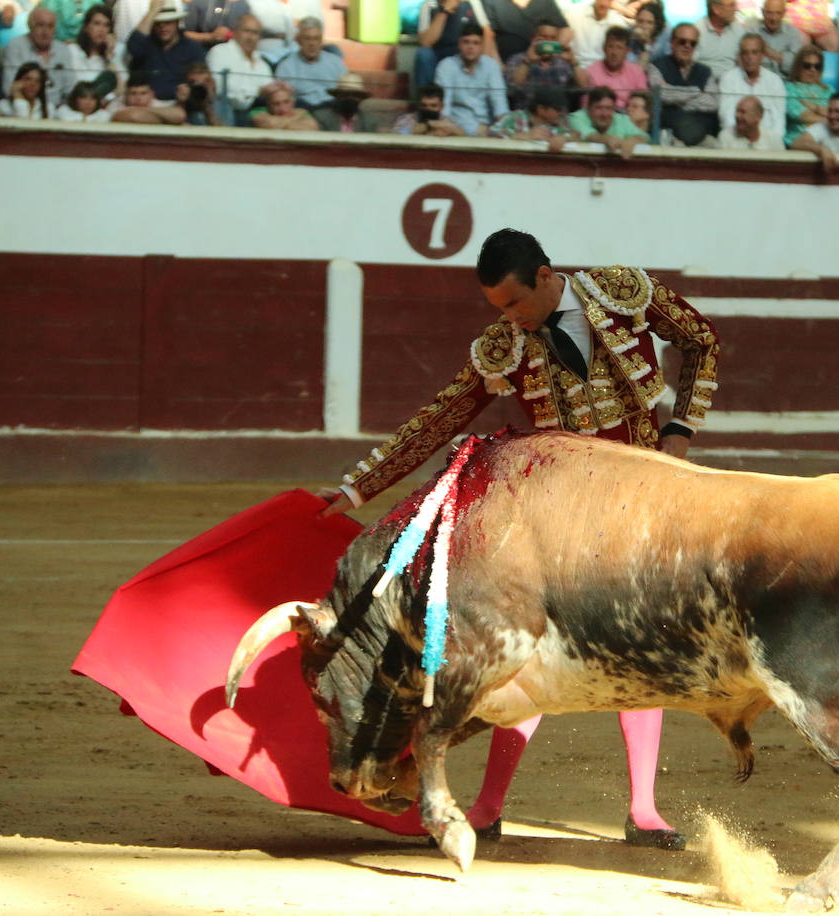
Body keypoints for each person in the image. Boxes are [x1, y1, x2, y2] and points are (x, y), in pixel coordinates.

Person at [321, 228, 720, 852]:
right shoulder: (503, 346)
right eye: (498, 310)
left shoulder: (621, 292)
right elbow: (440, 417)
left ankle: (644, 809)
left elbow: (702, 341)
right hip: (557, 513)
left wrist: (680, 431)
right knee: (527, 649)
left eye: (514, 304)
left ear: (544, 275)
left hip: (644, 498)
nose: (509, 320)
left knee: (641, 643)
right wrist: (355, 488)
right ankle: (487, 805)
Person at [647, 22, 720, 145]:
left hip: (702, 134)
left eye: (693, 43)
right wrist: (697, 91)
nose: (687, 46)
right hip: (669, 134)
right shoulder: (656, 66)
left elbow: (712, 103)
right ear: (672, 43)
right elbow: (661, 95)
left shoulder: (705, 71)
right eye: (682, 41)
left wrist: (675, 103)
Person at [437, 21, 510, 135]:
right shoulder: (446, 66)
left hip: (487, 127)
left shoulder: (491, 66)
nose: (470, 47)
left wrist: (504, 127)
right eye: (466, 42)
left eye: (476, 43)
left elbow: (499, 103)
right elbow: (443, 106)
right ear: (459, 44)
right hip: (456, 127)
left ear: (482, 46)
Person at [127, 0, 207, 103]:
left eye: (168, 22)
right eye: (158, 23)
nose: (162, 27)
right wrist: (152, 13)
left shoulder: (192, 48)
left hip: (181, 103)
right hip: (147, 102)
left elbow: (200, 80)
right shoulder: (147, 44)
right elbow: (133, 47)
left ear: (177, 23)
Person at [274, 16, 348, 123]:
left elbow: (347, 92)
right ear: (299, 40)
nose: (312, 44)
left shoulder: (336, 63)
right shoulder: (286, 66)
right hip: (302, 114)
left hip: (332, 112)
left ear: (321, 40)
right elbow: (281, 101)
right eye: (307, 39)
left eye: (316, 39)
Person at [206, 12, 272, 124]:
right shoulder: (220, 52)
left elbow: (269, 91)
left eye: (255, 33)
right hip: (227, 110)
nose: (250, 37)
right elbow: (222, 90)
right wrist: (257, 91)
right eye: (246, 31)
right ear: (235, 32)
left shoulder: (262, 63)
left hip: (254, 112)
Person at [415, 0, 495, 90]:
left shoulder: (471, 2)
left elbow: (487, 33)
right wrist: (444, 12)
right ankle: (428, 98)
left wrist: (485, 63)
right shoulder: (428, 5)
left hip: (465, 54)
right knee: (423, 53)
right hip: (439, 55)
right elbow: (426, 42)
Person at [1, 6, 72, 105]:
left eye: (50, 26)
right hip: (25, 107)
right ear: (30, 26)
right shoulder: (16, 46)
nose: (45, 32)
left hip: (57, 110)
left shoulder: (62, 50)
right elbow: (9, 87)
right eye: (40, 25)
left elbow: (70, 88)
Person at [504, 20, 579, 110]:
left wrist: (573, 62)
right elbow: (511, 89)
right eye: (544, 37)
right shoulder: (517, 60)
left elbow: (584, 87)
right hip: (527, 115)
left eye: (553, 38)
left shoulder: (563, 62)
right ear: (533, 38)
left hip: (557, 116)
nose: (548, 42)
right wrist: (528, 61)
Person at [719, 33, 786, 133]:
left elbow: (779, 119)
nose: (749, 57)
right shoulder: (728, 78)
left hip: (767, 140)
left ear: (762, 55)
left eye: (754, 52)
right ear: (740, 56)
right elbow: (725, 116)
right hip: (736, 137)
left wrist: (772, 141)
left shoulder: (775, 81)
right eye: (745, 53)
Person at [569, 83, 650, 154]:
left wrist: (632, 140)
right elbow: (589, 136)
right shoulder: (576, 118)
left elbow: (644, 137)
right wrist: (606, 139)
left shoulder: (622, 119)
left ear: (614, 108)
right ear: (589, 108)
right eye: (599, 108)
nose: (604, 114)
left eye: (608, 108)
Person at [67, 5, 124, 103]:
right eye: (97, 24)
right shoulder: (72, 50)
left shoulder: (114, 55)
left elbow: (121, 89)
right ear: (86, 26)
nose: (101, 30)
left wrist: (110, 55)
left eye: (106, 25)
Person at [581, 24, 647, 108]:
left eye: (619, 48)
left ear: (627, 51)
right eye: (610, 47)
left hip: (629, 117)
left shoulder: (637, 72)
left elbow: (643, 104)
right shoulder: (591, 72)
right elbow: (587, 105)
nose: (614, 52)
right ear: (604, 48)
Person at [483, 0, 570, 62]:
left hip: (541, 63)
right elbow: (489, 35)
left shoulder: (545, 2)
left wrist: (553, 52)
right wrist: (499, 66)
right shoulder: (491, 1)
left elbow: (566, 30)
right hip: (508, 63)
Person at [490, 83, 573, 147]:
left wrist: (564, 138)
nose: (561, 112)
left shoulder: (560, 121)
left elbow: (575, 135)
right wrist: (521, 136)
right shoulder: (515, 117)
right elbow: (490, 134)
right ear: (541, 109)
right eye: (558, 109)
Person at [784, 44, 832, 147]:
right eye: (807, 66)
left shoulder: (829, 90)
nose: (812, 70)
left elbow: (837, 113)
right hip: (798, 140)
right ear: (798, 67)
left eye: (817, 66)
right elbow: (800, 115)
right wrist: (828, 118)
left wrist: (813, 108)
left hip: (827, 140)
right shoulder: (789, 88)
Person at [567, 0, 629, 68]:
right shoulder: (574, 13)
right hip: (574, 64)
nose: (603, 3)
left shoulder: (618, 23)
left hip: (605, 69)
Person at [752, 0, 805, 76]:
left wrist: (769, 51)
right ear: (762, 12)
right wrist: (782, 58)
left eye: (778, 13)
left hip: (785, 82)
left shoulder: (793, 33)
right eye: (769, 13)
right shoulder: (753, 30)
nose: (774, 18)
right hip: (758, 80)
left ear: (784, 13)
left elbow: (796, 67)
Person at [111, 71, 187, 122]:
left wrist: (141, 110)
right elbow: (133, 117)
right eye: (133, 93)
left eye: (143, 93)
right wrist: (165, 120)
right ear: (126, 95)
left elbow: (180, 115)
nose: (138, 98)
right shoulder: (116, 104)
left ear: (152, 94)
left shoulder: (157, 103)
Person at [392, 82, 465, 135]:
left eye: (433, 106)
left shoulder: (447, 121)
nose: (428, 109)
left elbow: (462, 133)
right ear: (418, 105)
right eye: (424, 105)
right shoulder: (407, 119)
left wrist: (445, 128)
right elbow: (394, 134)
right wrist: (412, 131)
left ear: (441, 106)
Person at [695, 0, 747, 75]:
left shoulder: (738, 29)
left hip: (732, 83)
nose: (736, 9)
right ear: (716, 9)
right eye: (732, 5)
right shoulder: (697, 31)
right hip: (704, 83)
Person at [719, 93, 786, 147]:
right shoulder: (726, 137)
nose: (737, 116)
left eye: (742, 112)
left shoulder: (774, 140)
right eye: (737, 111)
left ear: (758, 116)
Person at [252, 78, 318, 129]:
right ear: (268, 104)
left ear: (293, 102)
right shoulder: (257, 111)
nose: (282, 109)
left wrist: (280, 124)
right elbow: (271, 124)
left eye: (286, 102)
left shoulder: (302, 112)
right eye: (276, 104)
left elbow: (313, 126)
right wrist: (296, 118)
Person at [183, 0, 251, 49]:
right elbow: (185, 34)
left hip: (232, 53)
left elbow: (248, 36)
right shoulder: (198, 3)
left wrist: (232, 35)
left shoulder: (244, 6)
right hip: (201, 52)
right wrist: (211, 36)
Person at [177, 59, 220, 125]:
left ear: (211, 82)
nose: (199, 90)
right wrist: (180, 103)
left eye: (205, 83)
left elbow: (225, 131)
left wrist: (208, 106)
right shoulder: (186, 101)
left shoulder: (222, 103)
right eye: (192, 82)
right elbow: (176, 121)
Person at [629, 0, 669, 65]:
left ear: (656, 25)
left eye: (649, 23)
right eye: (640, 21)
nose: (644, 26)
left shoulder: (664, 37)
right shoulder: (630, 36)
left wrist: (646, 44)